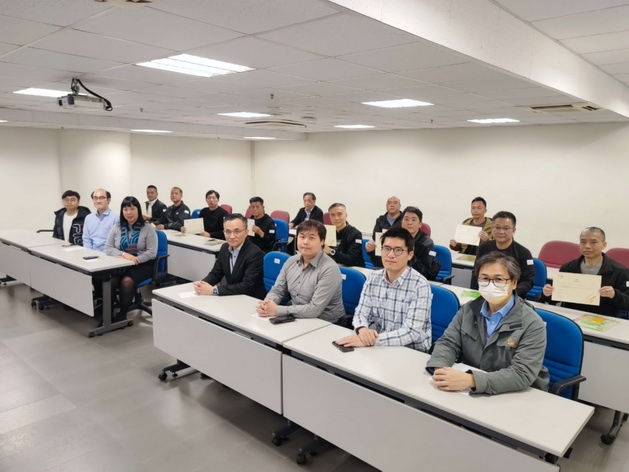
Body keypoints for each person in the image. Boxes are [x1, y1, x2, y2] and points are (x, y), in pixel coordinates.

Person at [426, 252, 549, 395]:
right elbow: (448, 343)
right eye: (484, 278)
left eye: (499, 279)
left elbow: (521, 373)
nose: (491, 285)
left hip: (515, 394)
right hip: (472, 393)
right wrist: (441, 370)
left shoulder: (532, 323)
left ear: (514, 283)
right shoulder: (468, 310)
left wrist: (472, 380)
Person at [335, 227, 432, 351]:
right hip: (381, 346)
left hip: (411, 350)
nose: (390, 255)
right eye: (386, 248)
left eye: (398, 250)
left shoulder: (420, 285)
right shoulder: (373, 278)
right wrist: (362, 329)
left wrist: (371, 340)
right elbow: (361, 313)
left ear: (410, 255)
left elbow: (411, 332)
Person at [257, 220, 344, 323]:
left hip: (326, 323)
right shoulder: (291, 261)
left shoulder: (329, 269)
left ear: (322, 242)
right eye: (302, 237)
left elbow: (314, 309)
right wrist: (267, 304)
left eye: (311, 238)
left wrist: (277, 310)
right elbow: (277, 290)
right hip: (297, 316)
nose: (305, 242)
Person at [540, 227, 629, 317]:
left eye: (593, 242)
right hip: (570, 316)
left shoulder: (620, 271)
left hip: (602, 318)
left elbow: (627, 303)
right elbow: (554, 299)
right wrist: (547, 294)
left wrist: (614, 295)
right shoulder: (568, 268)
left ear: (604, 244)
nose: (587, 246)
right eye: (583, 242)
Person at [105, 196, 158, 322]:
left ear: (138, 210)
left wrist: (136, 259)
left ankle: (122, 315)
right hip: (121, 263)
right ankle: (107, 316)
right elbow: (108, 248)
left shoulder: (148, 228)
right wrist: (125, 255)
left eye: (132, 209)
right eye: (125, 209)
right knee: (109, 281)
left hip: (142, 264)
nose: (129, 212)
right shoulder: (117, 227)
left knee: (126, 282)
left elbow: (152, 253)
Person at [193, 214, 266, 299]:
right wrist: (202, 284)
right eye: (228, 232)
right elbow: (216, 273)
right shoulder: (225, 248)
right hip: (232, 296)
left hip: (251, 299)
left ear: (246, 232)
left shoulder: (255, 253)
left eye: (237, 232)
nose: (232, 236)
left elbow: (247, 286)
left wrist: (214, 290)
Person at [474, 211, 534, 298]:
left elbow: (528, 281)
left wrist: (511, 294)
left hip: (513, 297)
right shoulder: (484, 248)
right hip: (485, 294)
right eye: (497, 227)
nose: (501, 231)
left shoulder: (524, 253)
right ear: (492, 228)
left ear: (514, 230)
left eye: (506, 228)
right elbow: (476, 273)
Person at [371, 206, 440, 280]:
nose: (409, 223)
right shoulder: (395, 238)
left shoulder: (426, 243)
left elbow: (424, 272)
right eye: (406, 219)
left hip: (414, 279)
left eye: (413, 220)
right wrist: (371, 252)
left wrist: (409, 253)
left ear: (420, 224)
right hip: (393, 276)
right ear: (401, 222)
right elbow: (381, 265)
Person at [325, 203, 364, 267]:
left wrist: (331, 251)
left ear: (346, 215)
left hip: (352, 268)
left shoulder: (355, 234)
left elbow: (351, 260)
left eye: (339, 214)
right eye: (333, 215)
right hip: (332, 267)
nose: (336, 218)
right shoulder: (327, 232)